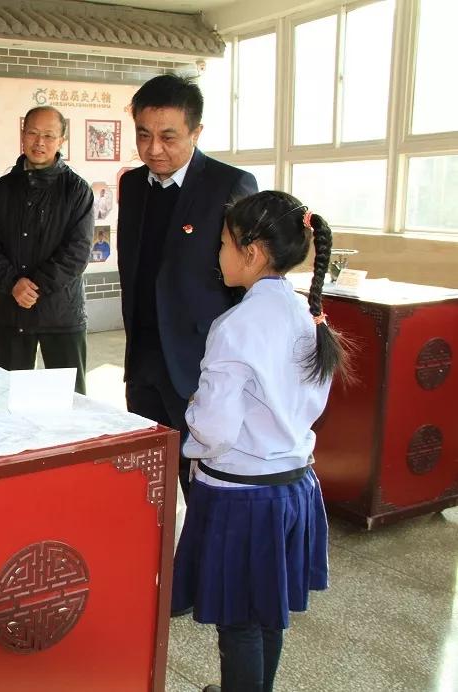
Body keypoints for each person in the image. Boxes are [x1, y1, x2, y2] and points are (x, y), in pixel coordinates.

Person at [172, 190, 351, 692]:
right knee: (268, 612)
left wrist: (193, 415)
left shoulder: (236, 326)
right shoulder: (307, 314)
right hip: (294, 487)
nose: (219, 253)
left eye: (224, 243)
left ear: (251, 252)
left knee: (241, 623)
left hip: (243, 497)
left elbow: (215, 429)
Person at [117, 74, 258, 499]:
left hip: (198, 366)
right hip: (143, 361)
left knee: (201, 483)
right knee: (146, 483)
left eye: (168, 137)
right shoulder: (132, 185)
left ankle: (203, 563)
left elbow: (246, 285)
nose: (153, 149)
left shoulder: (229, 185)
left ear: (196, 132)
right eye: (143, 135)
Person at [0, 106, 93, 394]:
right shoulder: (2, 189)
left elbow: (77, 252)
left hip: (61, 313)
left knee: (71, 401)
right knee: (9, 397)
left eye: (48, 135)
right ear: (22, 134)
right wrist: (13, 284)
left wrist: (34, 286)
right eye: (32, 133)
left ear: (61, 140)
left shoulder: (77, 191)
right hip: (12, 311)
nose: (39, 142)